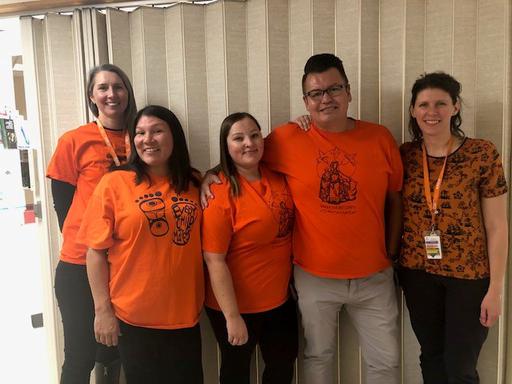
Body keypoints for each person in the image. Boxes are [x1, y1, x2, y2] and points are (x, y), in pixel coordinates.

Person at [203, 53, 403, 384]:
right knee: (318, 356)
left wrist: (391, 252)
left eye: (334, 89)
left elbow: (394, 198)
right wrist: (210, 176)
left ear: (349, 92)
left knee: (386, 361)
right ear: (306, 101)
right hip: (314, 278)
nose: (326, 99)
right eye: (316, 93)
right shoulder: (287, 138)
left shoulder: (380, 137)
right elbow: (242, 153)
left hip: (374, 277)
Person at [77, 105, 204, 383]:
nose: (148, 139)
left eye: (157, 131)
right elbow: (95, 252)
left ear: (175, 137)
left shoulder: (194, 181)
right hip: (133, 318)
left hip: (185, 315)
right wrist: (102, 311)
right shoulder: (114, 183)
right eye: (140, 133)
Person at [398, 72, 508, 384]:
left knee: (460, 366)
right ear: (412, 110)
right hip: (418, 273)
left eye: (440, 103)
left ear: (455, 107)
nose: (431, 112)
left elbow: (497, 226)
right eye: (423, 104)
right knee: (431, 357)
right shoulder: (404, 155)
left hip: (469, 278)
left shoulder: (481, 154)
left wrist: (496, 291)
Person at [47, 63, 136, 384]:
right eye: (103, 88)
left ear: (127, 93)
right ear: (92, 96)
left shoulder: (142, 136)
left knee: (121, 353)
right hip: (79, 264)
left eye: (119, 86)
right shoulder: (75, 140)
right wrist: (88, 241)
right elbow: (64, 205)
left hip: (129, 264)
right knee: (80, 356)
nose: (112, 94)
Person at [202, 112, 298, 384]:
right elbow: (214, 260)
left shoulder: (278, 177)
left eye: (255, 135)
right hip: (234, 305)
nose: (249, 143)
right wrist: (232, 317)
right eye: (238, 138)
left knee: (282, 366)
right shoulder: (218, 192)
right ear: (226, 145)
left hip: (279, 300)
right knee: (236, 372)